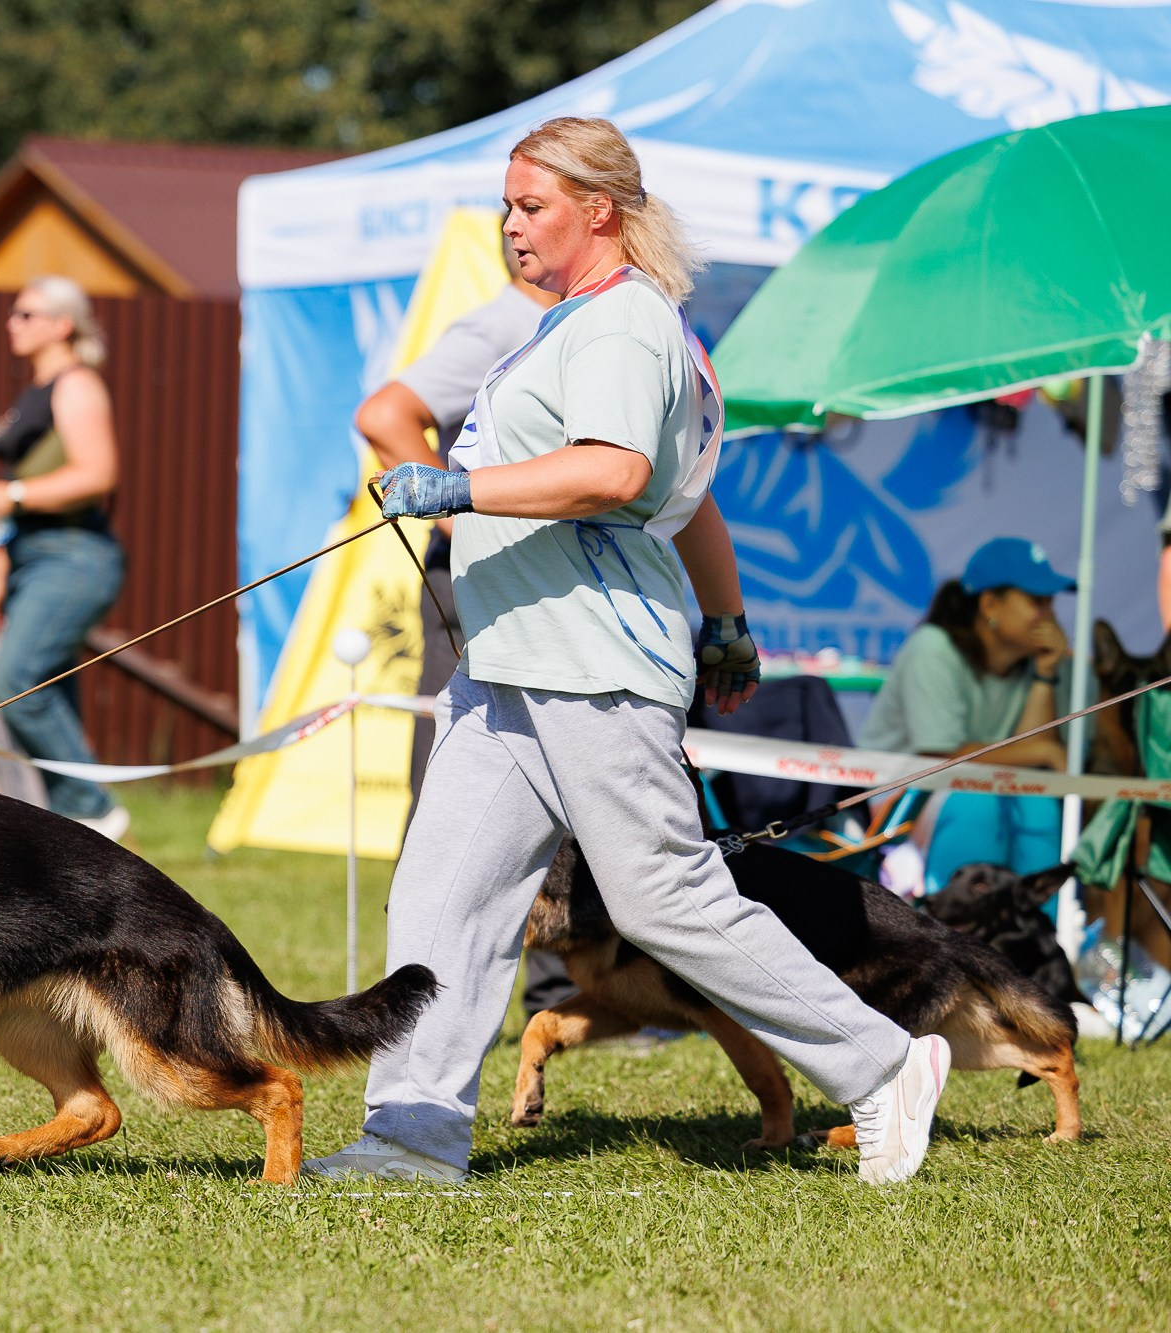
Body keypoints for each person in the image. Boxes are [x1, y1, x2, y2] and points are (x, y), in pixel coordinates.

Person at [305, 117, 949, 1187]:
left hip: (591, 657)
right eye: (507, 207)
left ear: (599, 210)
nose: (511, 226)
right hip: (508, 660)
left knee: (660, 897)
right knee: (441, 898)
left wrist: (456, 486)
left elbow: (614, 472)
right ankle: (410, 1135)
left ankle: (884, 1063)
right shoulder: (582, 323)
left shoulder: (624, 323)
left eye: (532, 206)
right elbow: (695, 504)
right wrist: (726, 623)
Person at [353, 236, 581, 1020]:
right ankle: (417, 996)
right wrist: (462, 514)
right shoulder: (504, 324)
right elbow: (385, 413)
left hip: (534, 582)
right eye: (518, 211)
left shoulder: (577, 324)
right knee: (450, 791)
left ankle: (556, 988)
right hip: (478, 584)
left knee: (545, 778)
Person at [0, 276, 127, 839]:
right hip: (32, 557)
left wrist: (10, 493)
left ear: (63, 325)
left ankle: (94, 809)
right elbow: (20, 496)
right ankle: (76, 827)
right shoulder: (37, 390)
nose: (13, 323)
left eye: (26, 314)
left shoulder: (77, 385)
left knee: (17, 682)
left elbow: (97, 474)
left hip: (74, 556)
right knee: (50, 695)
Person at [861, 537, 1074, 896]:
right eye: (1037, 600)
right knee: (976, 804)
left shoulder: (1038, 663)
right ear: (990, 604)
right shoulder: (933, 647)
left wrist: (1045, 674)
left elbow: (1027, 756)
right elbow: (939, 755)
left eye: (1051, 601)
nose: (1049, 615)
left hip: (986, 789)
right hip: (901, 798)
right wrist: (1046, 752)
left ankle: (1036, 926)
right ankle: (954, 924)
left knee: (1039, 805)